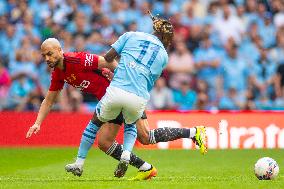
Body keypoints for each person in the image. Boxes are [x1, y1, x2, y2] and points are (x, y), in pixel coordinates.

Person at [26, 37, 206, 181]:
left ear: (60, 50)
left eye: (50, 54)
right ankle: (150, 165)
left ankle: (189, 136)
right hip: (114, 100)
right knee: (133, 139)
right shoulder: (59, 73)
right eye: (44, 56)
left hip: (121, 93)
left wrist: (123, 79)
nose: (47, 59)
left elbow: (107, 61)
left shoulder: (77, 59)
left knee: (136, 137)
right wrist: (37, 123)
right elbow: (49, 101)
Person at [88, 12, 207, 178]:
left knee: (105, 142)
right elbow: (145, 80)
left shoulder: (130, 35)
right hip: (136, 94)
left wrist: (96, 68)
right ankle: (189, 136)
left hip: (119, 90)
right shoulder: (164, 56)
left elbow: (107, 58)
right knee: (145, 137)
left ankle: (191, 134)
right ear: (166, 38)